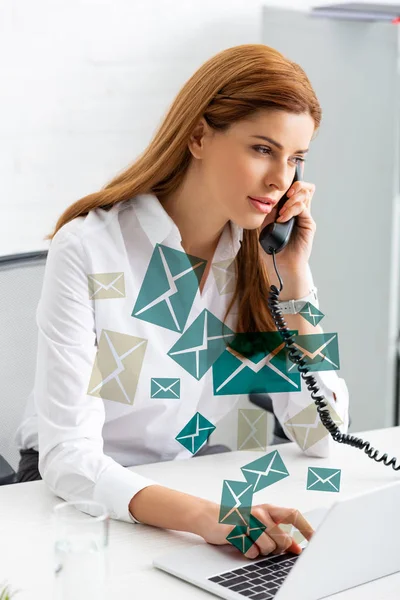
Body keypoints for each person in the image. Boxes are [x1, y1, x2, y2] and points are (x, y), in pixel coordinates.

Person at [14, 43, 349, 560]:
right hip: (83, 498)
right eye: (262, 149)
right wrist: (202, 518)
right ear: (198, 136)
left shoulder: (256, 254)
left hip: (192, 484)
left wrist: (295, 280)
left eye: (296, 159)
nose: (281, 179)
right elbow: (69, 458)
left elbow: (324, 434)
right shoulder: (90, 248)